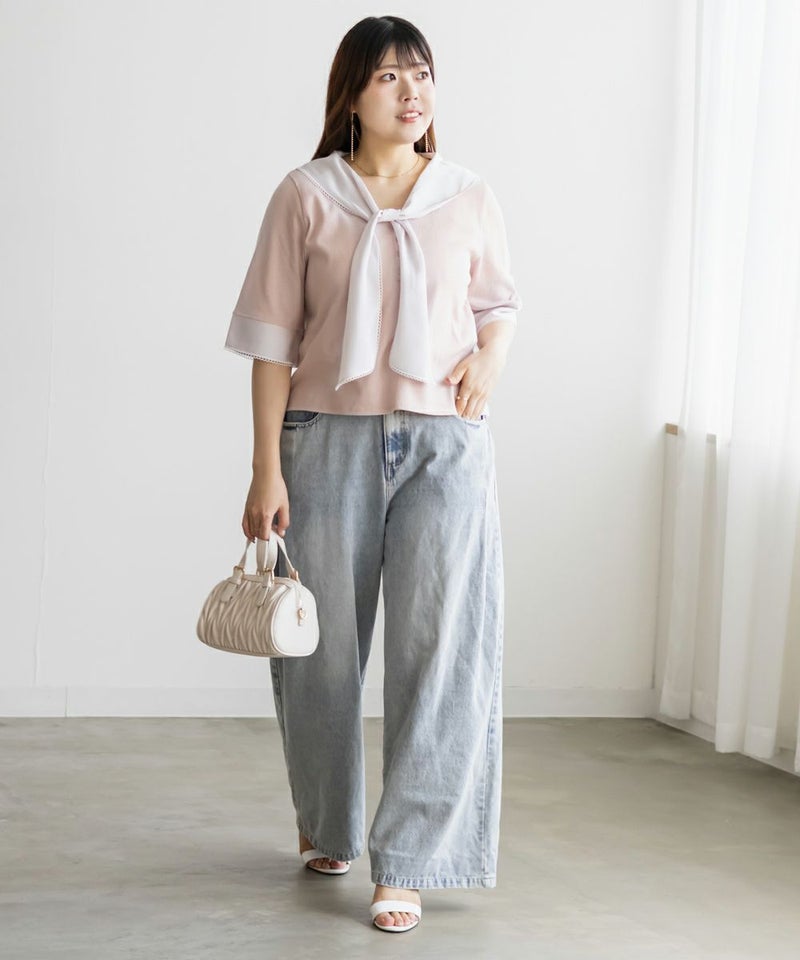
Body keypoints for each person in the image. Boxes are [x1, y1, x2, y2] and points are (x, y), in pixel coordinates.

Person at [223, 14, 521, 933]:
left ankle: (412, 861)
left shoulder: (467, 194)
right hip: (325, 439)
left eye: (421, 73)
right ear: (351, 93)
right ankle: (330, 825)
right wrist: (265, 469)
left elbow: (498, 305)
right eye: (389, 76)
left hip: (445, 444)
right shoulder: (305, 195)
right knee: (321, 653)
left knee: (441, 649)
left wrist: (490, 359)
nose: (410, 91)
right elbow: (271, 344)